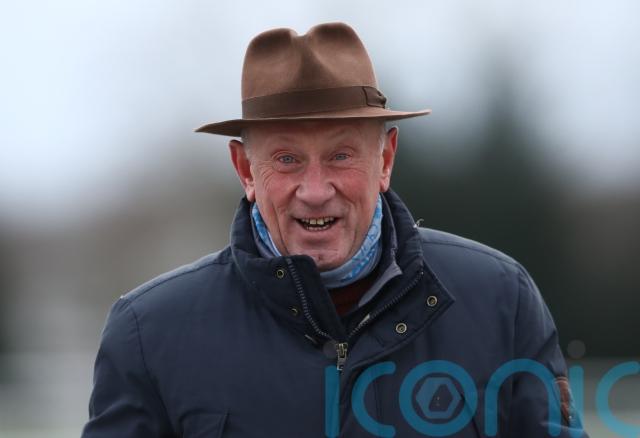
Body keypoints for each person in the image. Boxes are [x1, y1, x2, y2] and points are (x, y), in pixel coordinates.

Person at [81, 22, 588, 437]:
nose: (315, 189)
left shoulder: (500, 300)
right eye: (287, 159)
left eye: (341, 155)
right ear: (245, 169)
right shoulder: (150, 332)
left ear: (385, 160)